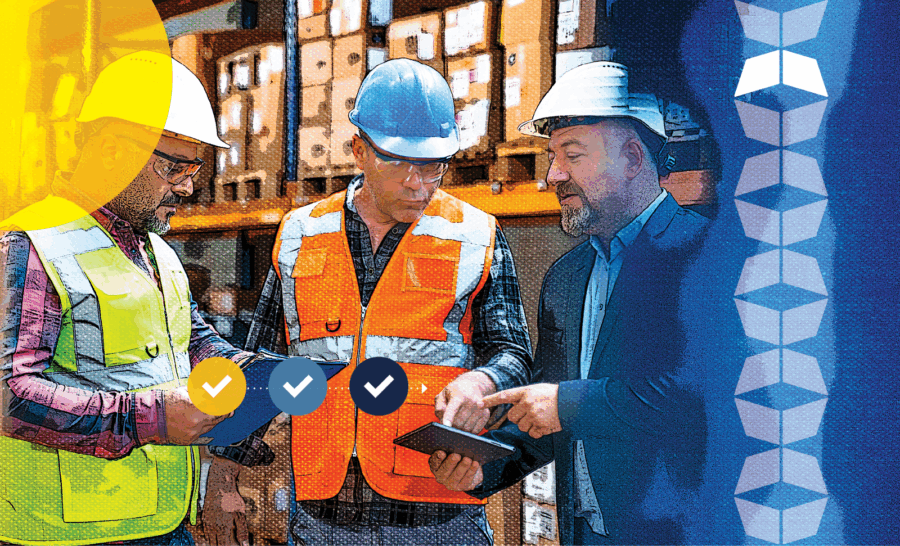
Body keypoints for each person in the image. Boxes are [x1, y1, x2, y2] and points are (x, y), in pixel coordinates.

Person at [202, 58, 535, 545]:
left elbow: (514, 354)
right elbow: (260, 365)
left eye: (432, 165)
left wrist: (481, 380)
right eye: (398, 161)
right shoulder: (300, 234)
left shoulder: (476, 235)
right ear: (359, 151)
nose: (417, 182)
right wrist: (224, 476)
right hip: (323, 511)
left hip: (437, 514)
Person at [428, 61, 711, 544]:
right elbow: (545, 410)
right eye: (553, 156)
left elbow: (702, 396)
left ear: (633, 157)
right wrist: (480, 468)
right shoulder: (566, 277)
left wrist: (567, 403)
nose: (552, 175)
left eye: (573, 156)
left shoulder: (704, 258)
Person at [0, 51, 273, 546]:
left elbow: (193, 344)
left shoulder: (158, 252)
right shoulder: (33, 244)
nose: (189, 186)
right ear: (110, 152)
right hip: (68, 535)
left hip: (162, 521)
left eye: (196, 167)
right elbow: (9, 396)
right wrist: (149, 417)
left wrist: (258, 375)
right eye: (176, 168)